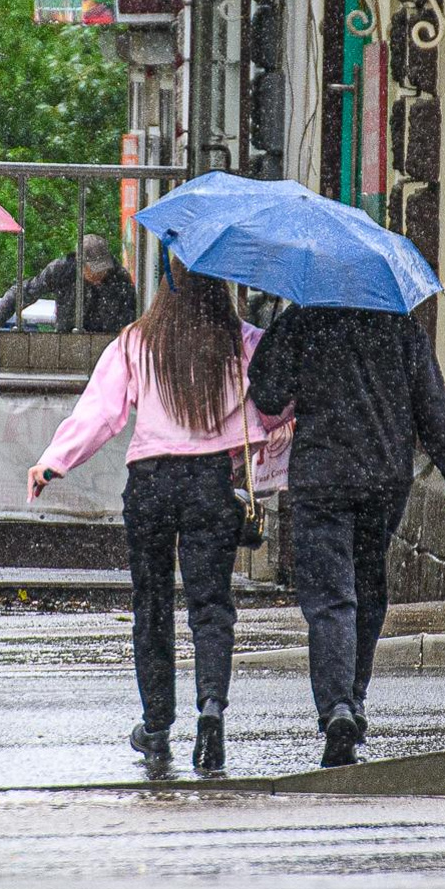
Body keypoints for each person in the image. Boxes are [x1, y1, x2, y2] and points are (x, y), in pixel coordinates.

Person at [28, 264, 288, 774]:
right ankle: (211, 708)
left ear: (166, 285)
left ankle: (157, 723)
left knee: (152, 604)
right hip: (211, 484)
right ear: (221, 286)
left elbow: (100, 412)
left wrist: (55, 460)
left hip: (149, 483)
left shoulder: (136, 341)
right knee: (211, 605)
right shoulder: (242, 341)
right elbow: (275, 407)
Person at [247, 305, 445, 768]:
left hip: (323, 474)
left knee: (332, 596)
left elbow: (268, 393)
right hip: (383, 476)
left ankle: (336, 707)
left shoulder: (305, 317)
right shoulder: (398, 321)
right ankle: (354, 696)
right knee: (368, 582)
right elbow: (430, 400)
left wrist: (276, 343)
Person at [0, 233, 137, 334]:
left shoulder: (119, 278)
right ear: (80, 264)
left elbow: (131, 319)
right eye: (94, 269)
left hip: (108, 345)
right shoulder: (62, 270)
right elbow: (22, 293)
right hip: (67, 341)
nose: (99, 274)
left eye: (103, 268)